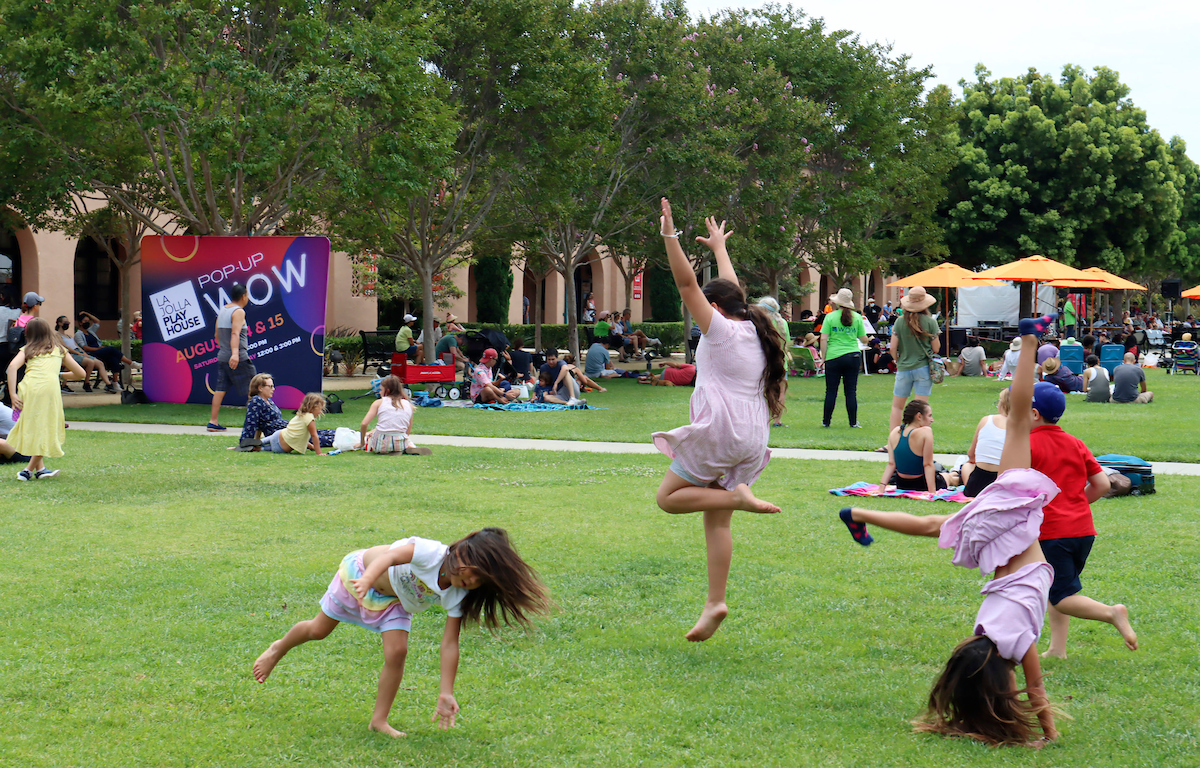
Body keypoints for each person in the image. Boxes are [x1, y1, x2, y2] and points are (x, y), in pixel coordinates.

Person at [836, 315, 1060, 746]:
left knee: (1014, 425)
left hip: (1009, 529)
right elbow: (1005, 672)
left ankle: (1030, 341)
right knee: (933, 524)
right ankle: (860, 514)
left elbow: (1035, 688)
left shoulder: (1014, 642)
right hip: (998, 545)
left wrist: (1047, 734)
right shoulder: (982, 634)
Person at [252, 528, 551, 738]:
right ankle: (279, 648)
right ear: (462, 551)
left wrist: (446, 691)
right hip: (359, 574)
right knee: (318, 630)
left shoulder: (457, 596)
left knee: (397, 652)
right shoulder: (430, 552)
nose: (471, 580)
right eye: (472, 571)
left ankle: (378, 720)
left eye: (479, 581)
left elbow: (449, 644)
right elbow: (390, 558)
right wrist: (368, 578)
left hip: (394, 601)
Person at [653, 199, 787, 642]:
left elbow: (686, 283)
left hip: (721, 431)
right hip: (752, 435)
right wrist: (719, 249)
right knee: (716, 519)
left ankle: (739, 499)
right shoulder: (755, 327)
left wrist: (670, 236)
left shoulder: (721, 330)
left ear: (713, 307)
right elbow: (728, 289)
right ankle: (716, 601)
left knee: (669, 498)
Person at [5, 317, 87, 480]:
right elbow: (81, 374)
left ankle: (41, 470)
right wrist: (59, 374)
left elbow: (12, 367)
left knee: (36, 427)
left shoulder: (27, 349)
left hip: (28, 389)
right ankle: (27, 471)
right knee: (46, 427)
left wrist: (13, 394)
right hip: (49, 391)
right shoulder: (59, 350)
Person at [887, 286, 940, 441]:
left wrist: (898, 360)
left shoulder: (899, 322)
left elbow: (893, 347)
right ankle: (917, 440)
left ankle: (894, 441)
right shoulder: (930, 322)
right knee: (921, 409)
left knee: (897, 406)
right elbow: (936, 348)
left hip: (903, 368)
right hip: (923, 367)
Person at [238, 373, 335, 451]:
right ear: (260, 388)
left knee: (325, 432)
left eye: (273, 386)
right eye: (270, 386)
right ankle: (345, 440)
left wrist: (256, 441)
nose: (273, 389)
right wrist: (246, 444)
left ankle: (346, 434)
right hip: (283, 436)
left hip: (288, 429)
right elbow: (251, 424)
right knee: (320, 438)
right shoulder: (256, 401)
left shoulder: (268, 401)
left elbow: (259, 425)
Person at [207, 284, 256, 432]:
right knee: (256, 387)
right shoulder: (239, 311)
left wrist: (225, 350)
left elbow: (216, 335)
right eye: (247, 295)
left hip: (222, 356)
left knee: (220, 389)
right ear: (243, 296)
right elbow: (235, 333)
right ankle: (254, 424)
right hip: (238, 357)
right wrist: (234, 353)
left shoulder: (223, 310)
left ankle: (213, 421)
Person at [881, 400, 954, 493]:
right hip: (922, 484)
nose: (932, 420)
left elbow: (891, 464)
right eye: (929, 416)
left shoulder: (895, 432)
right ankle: (956, 471)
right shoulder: (926, 432)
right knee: (950, 477)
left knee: (943, 473)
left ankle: (954, 472)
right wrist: (932, 492)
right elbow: (928, 464)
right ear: (919, 416)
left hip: (901, 484)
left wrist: (881, 488)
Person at [820, 288, 867, 429]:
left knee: (831, 391)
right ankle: (853, 422)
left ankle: (826, 421)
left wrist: (823, 357)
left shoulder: (830, 317)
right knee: (851, 391)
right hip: (852, 355)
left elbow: (823, 338)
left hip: (833, 356)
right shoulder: (857, 318)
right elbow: (863, 339)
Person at [358, 375, 431, 455]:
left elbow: (364, 424)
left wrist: (362, 442)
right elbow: (408, 430)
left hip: (381, 442)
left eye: (381, 390)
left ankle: (387, 450)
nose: (379, 392)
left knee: (370, 435)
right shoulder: (408, 404)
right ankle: (407, 447)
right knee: (401, 436)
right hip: (400, 441)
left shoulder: (379, 403)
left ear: (387, 391)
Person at [960, 388, 1010, 498]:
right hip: (1001, 485)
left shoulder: (986, 420)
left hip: (976, 486)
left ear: (1002, 404)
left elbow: (971, 454)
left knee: (967, 465)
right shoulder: (1020, 427)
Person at [757, 297, 792, 427]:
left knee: (761, 391)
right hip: (781, 362)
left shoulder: (760, 323)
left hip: (763, 362)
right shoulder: (783, 323)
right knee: (781, 392)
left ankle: (762, 418)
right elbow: (786, 344)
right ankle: (777, 420)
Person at [56, 316, 116, 393]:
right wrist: (78, 353)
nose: (67, 324)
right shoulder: (57, 335)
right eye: (65, 322)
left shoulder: (69, 336)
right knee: (90, 362)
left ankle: (108, 384)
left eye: (68, 322)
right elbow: (65, 346)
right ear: (60, 323)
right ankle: (86, 383)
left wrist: (83, 353)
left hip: (78, 352)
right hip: (71, 354)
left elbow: (77, 346)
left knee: (100, 363)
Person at [74, 310, 140, 374]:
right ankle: (131, 363)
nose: (87, 322)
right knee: (111, 349)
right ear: (80, 322)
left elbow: (97, 322)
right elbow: (84, 347)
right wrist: (97, 349)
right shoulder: (78, 334)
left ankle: (115, 382)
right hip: (90, 354)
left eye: (88, 321)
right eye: (85, 321)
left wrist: (86, 313)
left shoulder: (90, 331)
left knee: (113, 359)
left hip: (99, 351)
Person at [260, 392, 327, 454]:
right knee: (263, 449)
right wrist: (319, 453)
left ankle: (259, 442)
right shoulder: (309, 418)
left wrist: (311, 446)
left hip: (277, 435)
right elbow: (314, 435)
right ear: (313, 407)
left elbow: (298, 436)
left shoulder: (301, 415)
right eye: (320, 409)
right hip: (280, 448)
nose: (320, 412)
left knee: (263, 441)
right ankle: (259, 448)